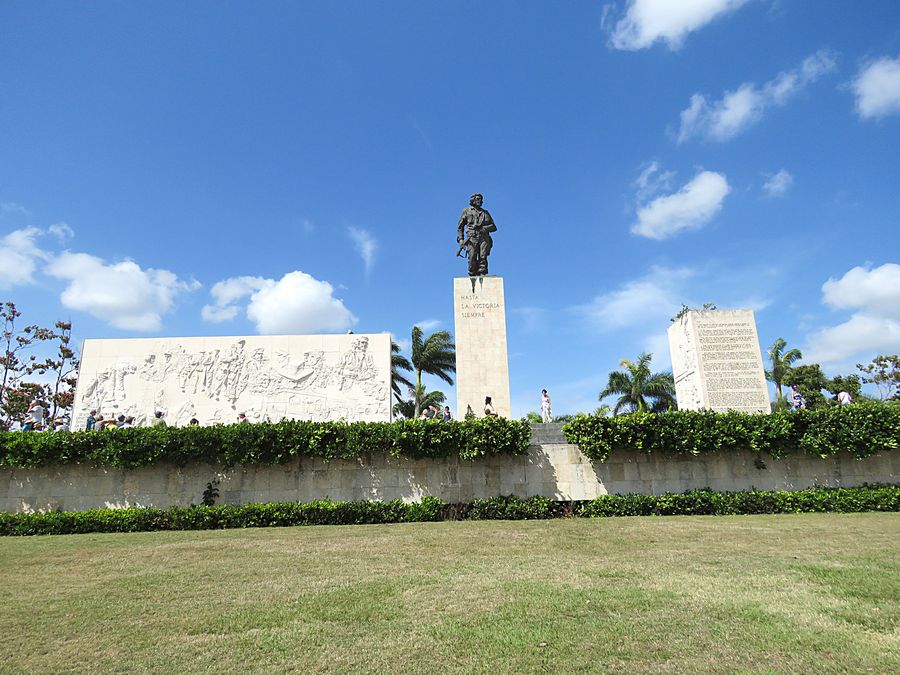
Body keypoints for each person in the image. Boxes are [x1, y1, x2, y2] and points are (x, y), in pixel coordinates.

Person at [456, 193, 497, 277]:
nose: (480, 201)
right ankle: (472, 273)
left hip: (483, 238)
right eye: (478, 199)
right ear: (473, 200)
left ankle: (482, 272)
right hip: (471, 238)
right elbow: (460, 227)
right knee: (472, 257)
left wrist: (483, 228)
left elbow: (494, 227)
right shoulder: (466, 211)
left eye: (481, 199)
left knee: (483, 256)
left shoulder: (485, 213)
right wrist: (461, 240)